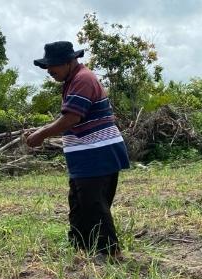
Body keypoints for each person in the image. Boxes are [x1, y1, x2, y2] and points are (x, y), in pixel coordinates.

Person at [25, 41, 129, 259]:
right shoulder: (75, 80)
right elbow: (69, 115)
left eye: (52, 67)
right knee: (79, 202)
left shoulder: (82, 79)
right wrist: (41, 129)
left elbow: (72, 117)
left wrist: (41, 134)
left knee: (93, 203)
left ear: (67, 62)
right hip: (87, 153)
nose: (49, 72)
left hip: (96, 152)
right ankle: (81, 246)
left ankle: (109, 252)